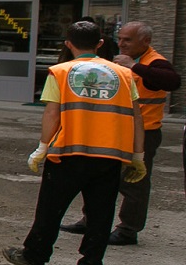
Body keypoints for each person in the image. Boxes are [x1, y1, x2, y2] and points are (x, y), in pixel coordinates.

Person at [3, 20, 146, 265]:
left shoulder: (60, 72)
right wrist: (137, 155)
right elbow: (137, 118)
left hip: (68, 153)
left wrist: (42, 148)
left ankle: (35, 257)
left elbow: (52, 113)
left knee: (50, 209)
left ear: (68, 44)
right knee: (101, 215)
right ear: (101, 44)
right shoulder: (124, 75)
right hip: (109, 156)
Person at [62, 20, 179, 246]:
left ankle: (127, 230)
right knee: (100, 177)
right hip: (115, 130)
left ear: (145, 41)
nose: (122, 43)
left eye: (128, 39)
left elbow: (173, 81)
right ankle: (90, 220)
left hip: (143, 133)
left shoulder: (154, 62)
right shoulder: (123, 60)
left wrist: (133, 67)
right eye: (121, 38)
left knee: (134, 183)